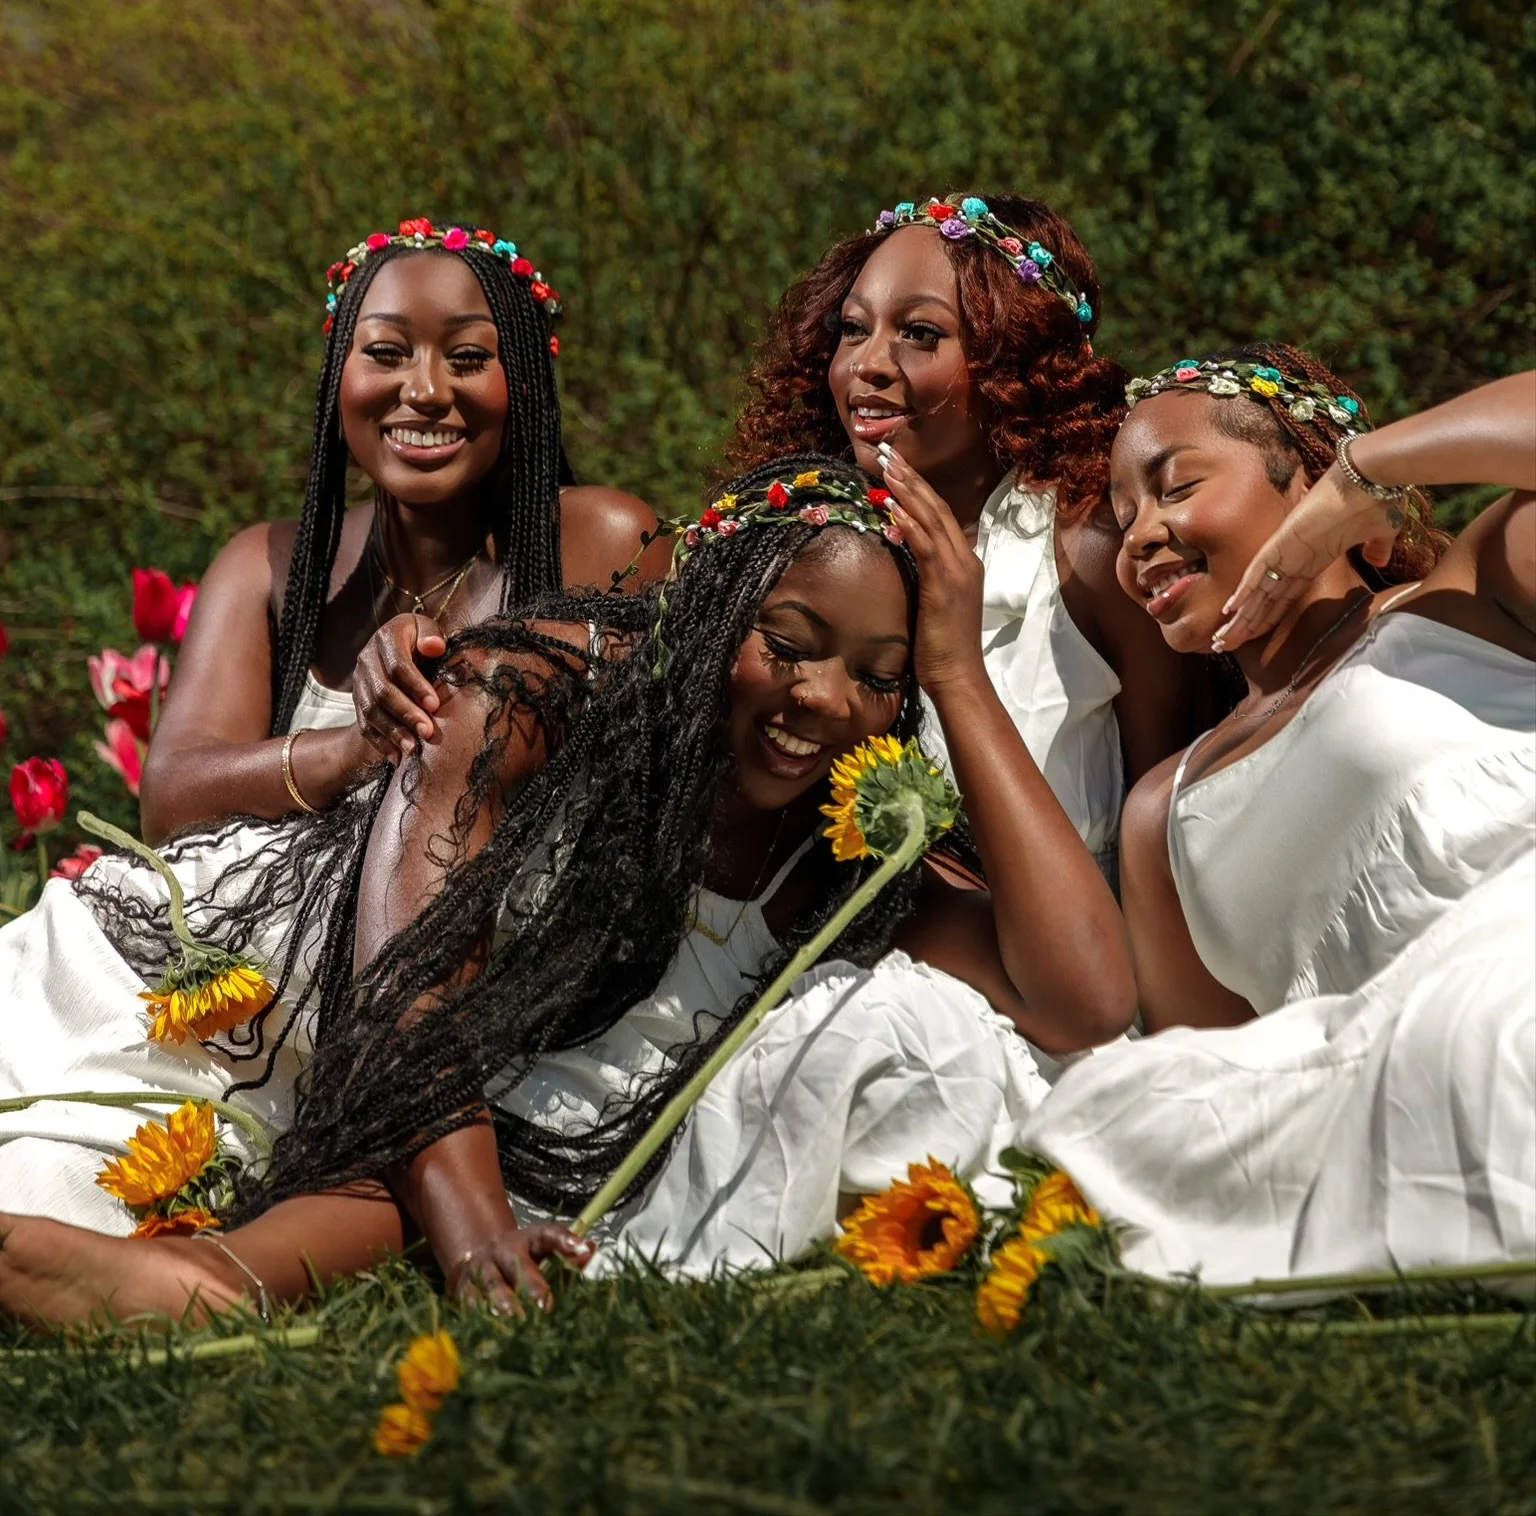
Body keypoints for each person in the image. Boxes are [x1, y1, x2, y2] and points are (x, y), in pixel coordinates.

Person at [0, 460, 1134, 1328]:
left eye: (877, 675)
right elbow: (413, 973)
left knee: (433, 1181)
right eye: (787, 645)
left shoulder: (848, 852)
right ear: (708, 616)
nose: (828, 701)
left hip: (415, 1104)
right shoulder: (547, 686)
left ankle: (191, 1281)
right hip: (234, 983)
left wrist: (955, 675)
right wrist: (478, 1234)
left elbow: (1085, 996)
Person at [1019, 349, 1535, 1282]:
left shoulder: (1459, 603)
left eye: (1175, 487)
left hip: (1513, 941)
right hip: (1364, 1069)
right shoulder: (1162, 814)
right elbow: (1212, 1082)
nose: (1139, 538)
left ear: (1305, 476)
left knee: (1487, 1033)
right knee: (1123, 1107)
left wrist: (1367, 470)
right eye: (1124, 517)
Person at [138, 217, 661, 843]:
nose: (426, 391)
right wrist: (356, 747)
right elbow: (169, 800)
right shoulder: (266, 567)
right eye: (386, 353)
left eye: (468, 358)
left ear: (521, 381)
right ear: (340, 376)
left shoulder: (600, 540)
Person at [724, 194, 1197, 878]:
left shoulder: (1091, 555)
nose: (868, 363)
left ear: (1015, 360)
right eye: (852, 329)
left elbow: (1168, 829)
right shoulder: (800, 544)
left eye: (919, 333)